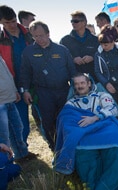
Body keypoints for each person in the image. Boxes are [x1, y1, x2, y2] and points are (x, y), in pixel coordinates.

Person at [54, 73, 118, 190]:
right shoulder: (71, 103)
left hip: (104, 128)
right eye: (76, 84)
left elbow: (113, 109)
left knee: (115, 148)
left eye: (82, 83)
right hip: (84, 133)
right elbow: (65, 120)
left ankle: (109, 188)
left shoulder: (101, 95)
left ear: (89, 83)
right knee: (83, 153)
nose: (79, 86)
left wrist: (95, 118)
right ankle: (94, 189)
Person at [20, 21, 77, 151]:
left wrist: (76, 88)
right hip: (43, 92)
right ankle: (54, 147)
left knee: (65, 119)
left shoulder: (61, 49)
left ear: (48, 33)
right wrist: (25, 91)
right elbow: (24, 73)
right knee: (48, 121)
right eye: (35, 36)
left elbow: (72, 70)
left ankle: (69, 145)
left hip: (63, 91)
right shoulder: (28, 52)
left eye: (41, 35)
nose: (39, 39)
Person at [0, 5, 33, 145]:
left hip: (35, 81)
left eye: (13, 21)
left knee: (42, 115)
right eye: (7, 22)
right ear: (1, 22)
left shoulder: (29, 33)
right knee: (20, 121)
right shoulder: (1, 40)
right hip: (15, 84)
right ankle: (22, 149)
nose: (12, 25)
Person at [0, 55, 32, 161]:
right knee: (3, 134)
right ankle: (5, 162)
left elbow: (8, 75)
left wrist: (14, 91)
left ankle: (21, 154)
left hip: (9, 99)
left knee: (17, 128)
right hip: (1, 102)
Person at [60, 11, 98, 81]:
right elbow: (61, 58)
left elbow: (102, 55)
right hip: (74, 79)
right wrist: (73, 59)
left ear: (84, 22)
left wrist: (93, 57)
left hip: (93, 79)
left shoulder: (96, 40)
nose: (73, 23)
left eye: (76, 21)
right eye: (72, 21)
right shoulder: (65, 40)